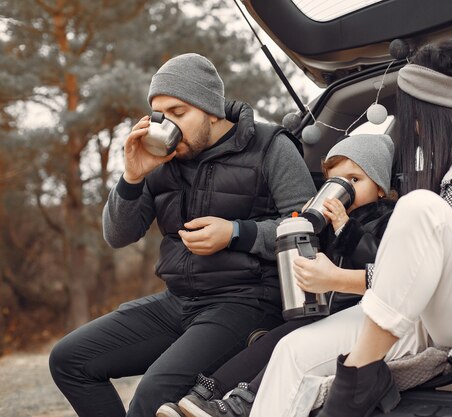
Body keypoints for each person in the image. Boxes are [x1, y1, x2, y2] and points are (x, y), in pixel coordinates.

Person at [247, 40, 452, 417]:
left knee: (419, 205)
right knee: (292, 351)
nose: (415, 128)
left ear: (437, 111)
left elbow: (438, 270)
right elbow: (406, 274)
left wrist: (339, 279)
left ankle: (358, 373)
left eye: (415, 115)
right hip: (410, 311)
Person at [48, 53, 317, 417]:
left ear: (211, 109)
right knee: (70, 359)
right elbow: (117, 235)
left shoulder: (271, 147)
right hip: (180, 301)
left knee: (152, 395)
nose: (168, 125)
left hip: (248, 301)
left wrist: (237, 233)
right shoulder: (161, 160)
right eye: (161, 114)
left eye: (178, 113)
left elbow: (309, 229)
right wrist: (132, 177)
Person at [155, 133, 398, 417]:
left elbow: (380, 264)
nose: (346, 189)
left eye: (355, 180)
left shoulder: (388, 217)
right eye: (335, 181)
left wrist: (347, 228)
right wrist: (305, 227)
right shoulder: (329, 222)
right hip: (321, 309)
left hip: (356, 312)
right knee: (273, 339)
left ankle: (240, 403)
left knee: (288, 344)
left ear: (380, 188)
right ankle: (207, 392)